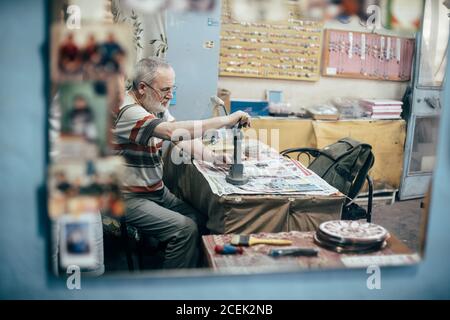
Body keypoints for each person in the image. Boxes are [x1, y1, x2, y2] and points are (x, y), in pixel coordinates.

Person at [112, 57, 250, 269]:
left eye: (172, 88)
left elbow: (180, 136)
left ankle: (192, 270)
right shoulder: (129, 111)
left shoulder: (154, 105)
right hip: (130, 197)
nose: (170, 96)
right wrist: (226, 120)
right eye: (165, 89)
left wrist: (211, 157)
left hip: (155, 191)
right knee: (185, 229)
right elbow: (170, 132)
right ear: (142, 88)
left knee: (206, 221)